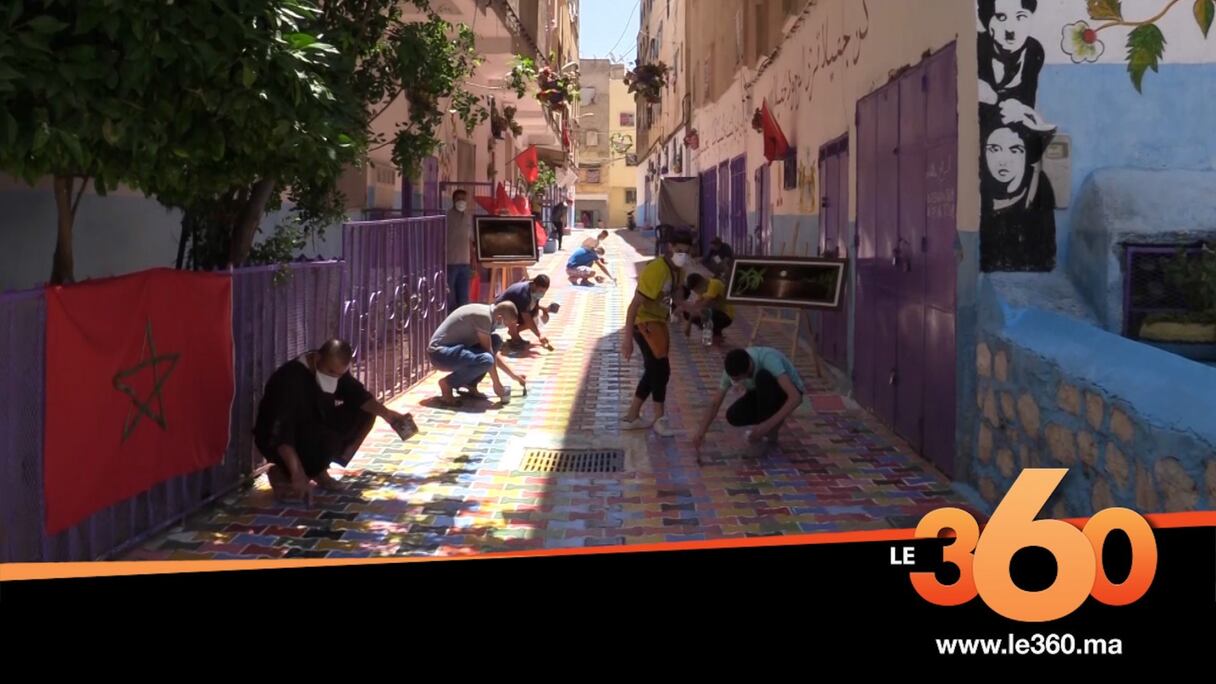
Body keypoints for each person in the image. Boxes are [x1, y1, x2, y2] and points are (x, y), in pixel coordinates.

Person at [253, 339, 412, 501]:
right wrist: (297, 473)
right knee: (309, 435)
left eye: (339, 374)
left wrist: (389, 416)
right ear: (316, 359)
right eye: (330, 372)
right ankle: (284, 470)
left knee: (364, 412)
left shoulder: (333, 370)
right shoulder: (290, 380)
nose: (334, 377)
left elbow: (357, 395)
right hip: (277, 437)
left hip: (312, 427)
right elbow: (281, 430)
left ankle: (318, 469)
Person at [621, 228, 694, 437]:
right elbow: (633, 306)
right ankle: (659, 418)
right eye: (679, 250)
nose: (683, 255)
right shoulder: (656, 270)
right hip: (644, 323)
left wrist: (695, 309)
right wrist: (627, 340)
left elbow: (678, 298)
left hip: (658, 322)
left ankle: (632, 415)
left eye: (687, 251)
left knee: (654, 369)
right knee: (661, 370)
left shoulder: (679, 271)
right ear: (670, 248)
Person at [691, 346, 806, 461]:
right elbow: (715, 403)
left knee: (763, 377)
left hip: (786, 391)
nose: (735, 382)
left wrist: (766, 426)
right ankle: (769, 425)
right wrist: (701, 431)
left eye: (737, 379)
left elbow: (796, 398)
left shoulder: (768, 359)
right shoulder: (732, 368)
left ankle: (769, 431)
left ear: (746, 372)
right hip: (760, 390)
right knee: (734, 415)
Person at [428, 301, 527, 406]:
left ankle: (470, 384)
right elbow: (489, 355)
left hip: (453, 350)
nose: (506, 327)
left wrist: (514, 375)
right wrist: (497, 385)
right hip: (440, 354)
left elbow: (492, 353)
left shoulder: (488, 315)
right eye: (506, 324)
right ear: (499, 318)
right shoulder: (484, 317)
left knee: (496, 341)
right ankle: (447, 384)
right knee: (486, 360)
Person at [495, 274, 554, 348]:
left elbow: (530, 306)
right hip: (500, 315)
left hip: (516, 310)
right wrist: (539, 335)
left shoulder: (534, 291)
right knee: (523, 317)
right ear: (535, 285)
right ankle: (515, 337)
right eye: (541, 291)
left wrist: (543, 309)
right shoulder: (523, 294)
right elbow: (527, 318)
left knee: (542, 318)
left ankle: (514, 332)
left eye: (544, 292)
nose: (542, 294)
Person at [680, 272, 734, 344]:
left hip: (726, 316)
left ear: (701, 283)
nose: (697, 292)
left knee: (706, 312)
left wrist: (689, 324)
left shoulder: (714, 284)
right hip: (715, 313)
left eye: (696, 289)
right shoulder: (702, 290)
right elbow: (696, 306)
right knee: (687, 312)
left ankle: (715, 332)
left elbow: (704, 304)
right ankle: (715, 332)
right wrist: (688, 322)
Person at [445, 189, 475, 309]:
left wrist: (473, 258)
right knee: (449, 296)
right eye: (458, 199)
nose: (461, 201)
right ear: (453, 201)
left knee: (463, 298)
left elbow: (469, 239)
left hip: (465, 263)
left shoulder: (467, 218)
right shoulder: (446, 217)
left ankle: (462, 321)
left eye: (463, 199)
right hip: (450, 262)